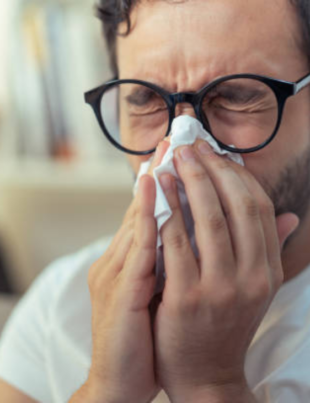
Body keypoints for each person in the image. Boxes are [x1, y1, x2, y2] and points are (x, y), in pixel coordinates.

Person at [1, 0, 310, 401]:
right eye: (145, 101)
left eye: (235, 96)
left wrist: (209, 384)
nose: (180, 146)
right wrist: (106, 389)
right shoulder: (59, 306)